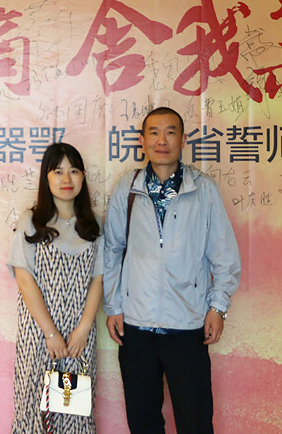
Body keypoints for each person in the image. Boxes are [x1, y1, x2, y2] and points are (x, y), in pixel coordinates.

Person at [103, 107, 241, 434]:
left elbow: (224, 255)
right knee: (143, 423)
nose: (161, 140)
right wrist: (114, 306)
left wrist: (217, 307)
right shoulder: (128, 188)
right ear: (142, 140)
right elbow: (112, 251)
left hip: (188, 326)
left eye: (170, 132)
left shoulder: (203, 190)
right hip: (136, 327)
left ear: (183, 139)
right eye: (154, 132)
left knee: (195, 422)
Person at [8, 142, 104, 434]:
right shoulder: (32, 222)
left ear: (83, 176)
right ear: (46, 178)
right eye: (58, 171)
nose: (66, 179)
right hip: (39, 336)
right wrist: (50, 333)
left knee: (75, 412)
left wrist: (83, 330)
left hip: (78, 339)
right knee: (34, 409)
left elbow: (98, 279)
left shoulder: (94, 225)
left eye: (73, 171)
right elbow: (24, 279)